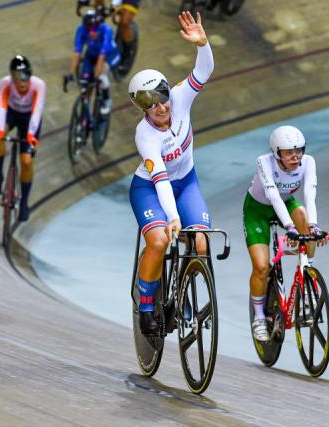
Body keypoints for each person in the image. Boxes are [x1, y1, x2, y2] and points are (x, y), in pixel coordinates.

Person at [128, 11, 212, 336]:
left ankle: (181, 295)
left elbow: (203, 71)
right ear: (141, 108)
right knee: (160, 239)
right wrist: (173, 218)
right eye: (150, 103)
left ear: (167, 91)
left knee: (201, 245)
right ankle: (146, 306)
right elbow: (160, 179)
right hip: (150, 188)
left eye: (161, 96)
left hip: (186, 181)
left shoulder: (180, 97)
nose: (161, 107)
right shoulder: (145, 135)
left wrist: (202, 44)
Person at [242, 125, 327, 342]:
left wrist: (314, 226)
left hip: (287, 205)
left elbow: (309, 193)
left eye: (298, 150)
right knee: (261, 266)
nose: (295, 156)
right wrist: (289, 228)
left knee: (303, 216)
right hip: (257, 211)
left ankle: (307, 273)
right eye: (289, 152)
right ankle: (259, 317)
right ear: (276, 153)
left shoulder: (308, 162)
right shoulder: (264, 162)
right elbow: (272, 195)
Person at [0, 55, 46, 221]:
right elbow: (1, 107)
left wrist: (30, 135)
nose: (22, 82)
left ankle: (24, 203)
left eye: (26, 77)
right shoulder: (5, 83)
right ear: (12, 78)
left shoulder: (38, 85)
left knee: (27, 161)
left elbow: (37, 112)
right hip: (11, 114)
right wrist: (0, 131)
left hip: (29, 119)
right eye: (18, 79)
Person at [69, 8, 120, 114]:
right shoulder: (81, 29)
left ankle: (106, 99)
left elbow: (102, 57)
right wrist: (71, 73)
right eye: (88, 28)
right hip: (91, 54)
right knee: (85, 81)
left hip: (109, 55)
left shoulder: (107, 30)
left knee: (100, 76)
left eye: (94, 29)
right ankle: (85, 110)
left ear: (98, 24)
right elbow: (77, 53)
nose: (91, 32)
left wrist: (96, 76)